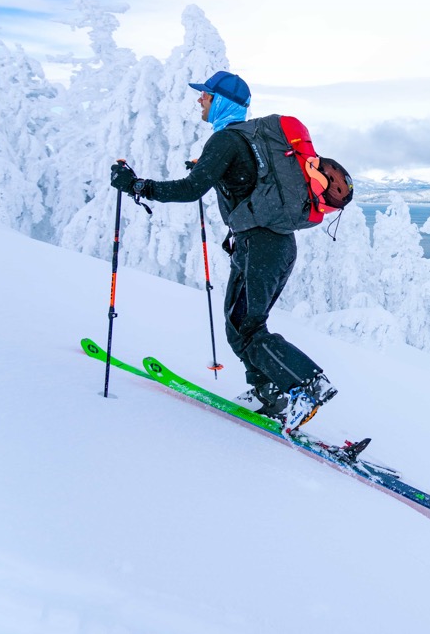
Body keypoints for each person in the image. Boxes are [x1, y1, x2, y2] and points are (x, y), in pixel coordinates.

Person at [109, 70, 340, 431]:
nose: (199, 100)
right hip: (272, 246)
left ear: (220, 101)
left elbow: (189, 191)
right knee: (239, 325)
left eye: (205, 95)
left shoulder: (227, 141)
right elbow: (243, 180)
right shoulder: (247, 140)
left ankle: (307, 385)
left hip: (261, 246)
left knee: (248, 328)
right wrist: (211, 171)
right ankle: (268, 394)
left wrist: (138, 186)